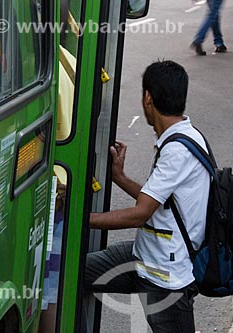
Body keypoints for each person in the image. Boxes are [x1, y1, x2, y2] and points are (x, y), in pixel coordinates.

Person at [85, 60, 210, 332]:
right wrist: (120, 178)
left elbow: (141, 213)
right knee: (78, 271)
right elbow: (159, 201)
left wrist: (83, 219)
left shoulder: (177, 150)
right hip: (145, 257)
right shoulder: (186, 137)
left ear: (147, 98)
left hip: (166, 277)